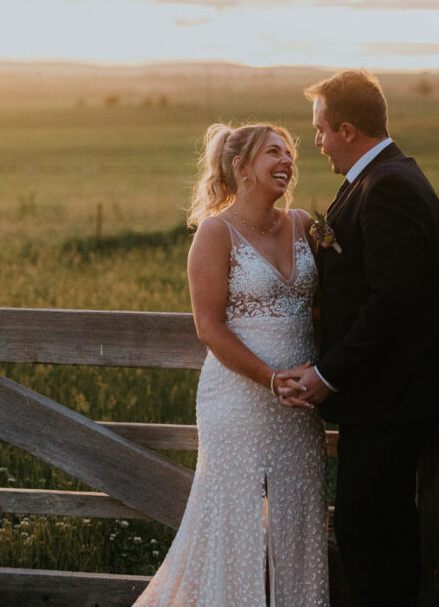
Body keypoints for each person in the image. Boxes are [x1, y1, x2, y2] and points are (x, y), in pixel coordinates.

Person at [277, 69, 439, 607]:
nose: (317, 142)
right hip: (382, 401)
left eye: (321, 130)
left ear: (348, 129)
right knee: (373, 531)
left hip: (390, 401)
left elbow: (392, 300)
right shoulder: (375, 179)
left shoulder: (389, 186)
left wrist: (329, 375)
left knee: (372, 536)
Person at [135, 122, 329, 606]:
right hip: (238, 401)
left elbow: (327, 306)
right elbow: (210, 328)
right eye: (273, 153)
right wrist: (269, 378)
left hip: (301, 404)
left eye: (290, 153)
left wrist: (318, 372)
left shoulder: (305, 224)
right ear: (241, 167)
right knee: (233, 521)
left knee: (300, 516)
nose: (286, 161)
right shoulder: (214, 233)